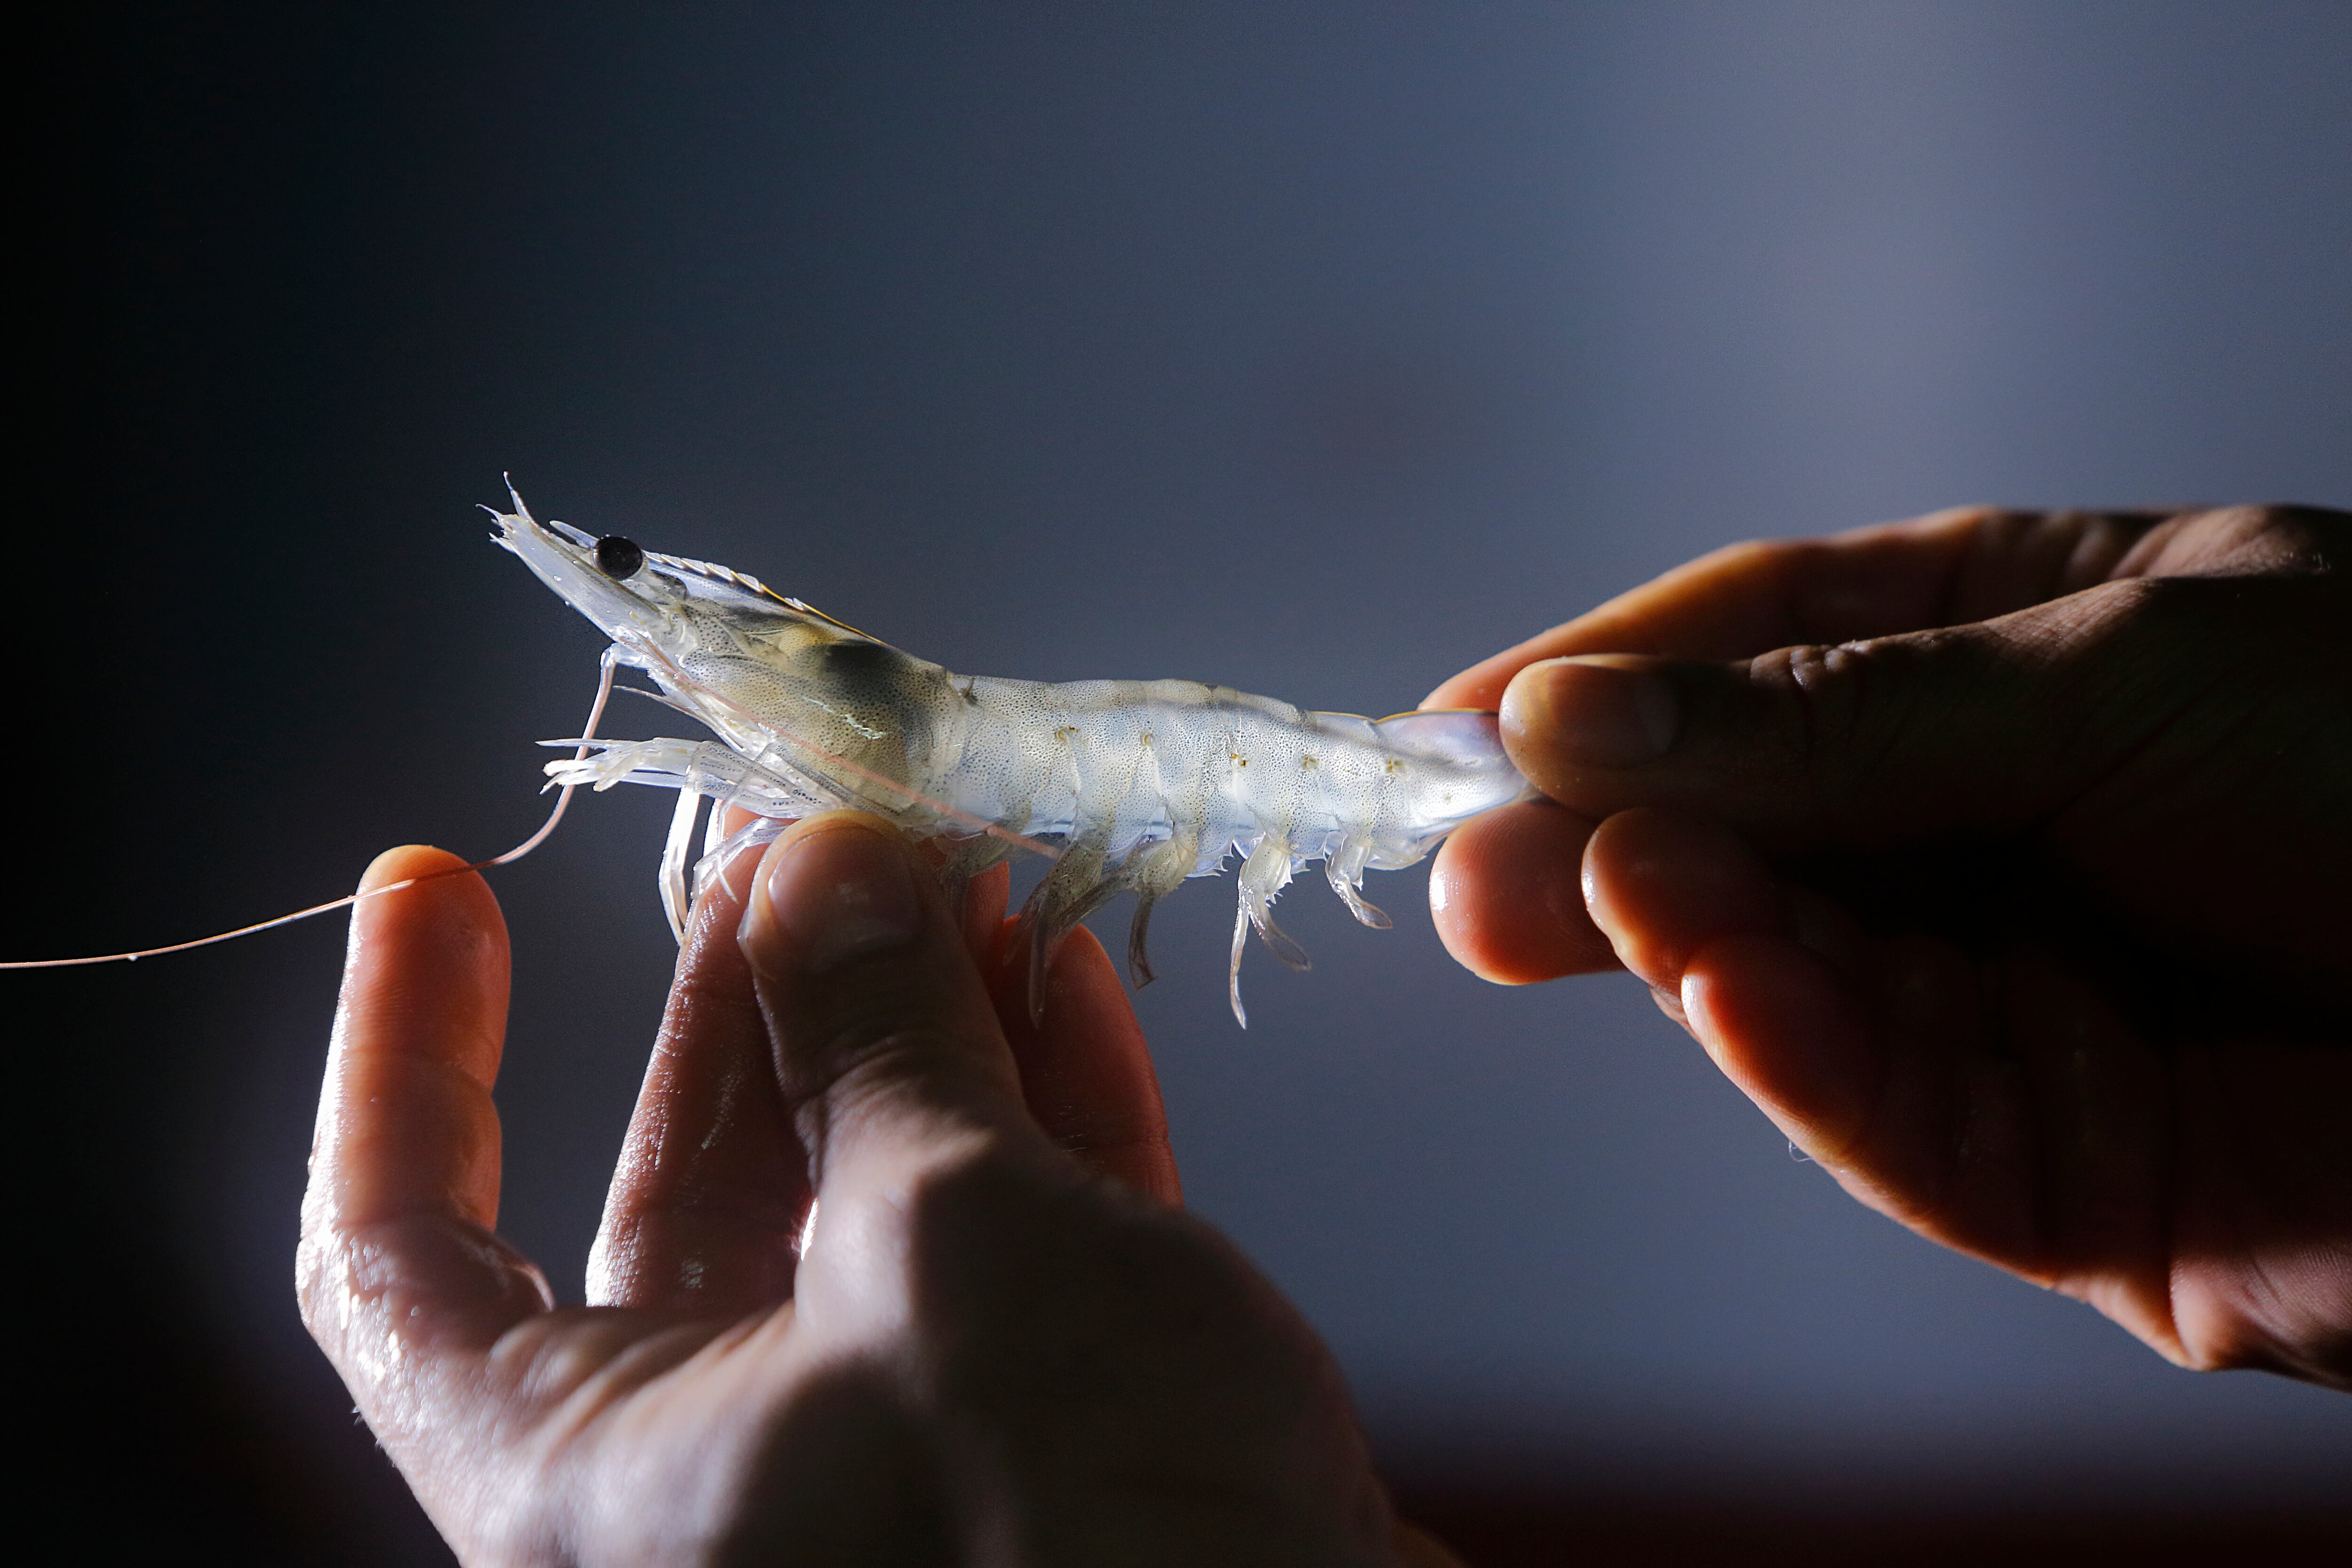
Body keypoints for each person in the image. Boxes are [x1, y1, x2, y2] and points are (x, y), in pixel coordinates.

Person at [299, 502, 2347, 1564]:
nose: (656, 625)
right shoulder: (869, 717)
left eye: (673, 599)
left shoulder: (905, 751)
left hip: (1364, 789)